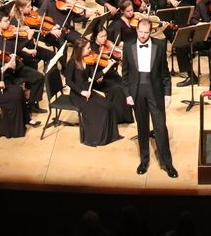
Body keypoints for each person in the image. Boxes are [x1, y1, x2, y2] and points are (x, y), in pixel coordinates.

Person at [122, 17, 178, 178]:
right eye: (140, 32)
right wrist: (127, 94)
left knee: (160, 127)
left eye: (146, 33)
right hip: (137, 91)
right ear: (136, 30)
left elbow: (165, 74)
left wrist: (168, 93)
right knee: (142, 128)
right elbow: (124, 73)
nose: (143, 36)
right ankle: (144, 160)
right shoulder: (128, 46)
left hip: (155, 92)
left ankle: (167, 163)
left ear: (151, 32)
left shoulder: (159, 46)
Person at [65, 38, 122, 146]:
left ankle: (109, 136)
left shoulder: (88, 60)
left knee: (109, 106)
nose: (90, 50)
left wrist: (108, 66)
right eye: (88, 48)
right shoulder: (72, 63)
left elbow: (94, 76)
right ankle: (96, 137)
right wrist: (81, 92)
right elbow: (69, 82)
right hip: (77, 95)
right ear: (80, 50)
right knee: (101, 110)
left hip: (88, 90)